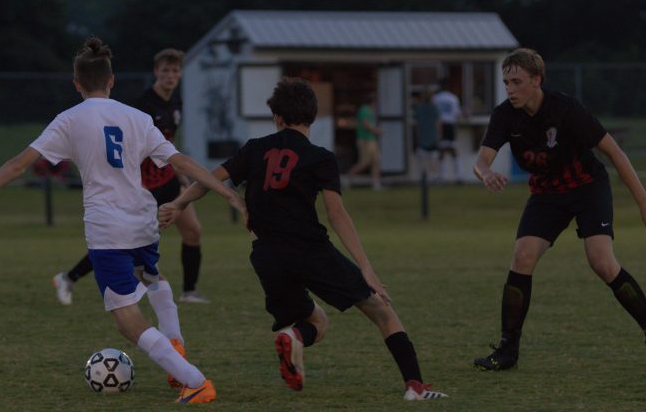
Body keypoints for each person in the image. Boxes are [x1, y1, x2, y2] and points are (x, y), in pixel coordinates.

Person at [0, 38, 247, 403]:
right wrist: (228, 193)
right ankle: (175, 345)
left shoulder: (69, 120)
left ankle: (194, 380)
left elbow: (18, 165)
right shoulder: (138, 117)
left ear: (76, 84)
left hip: (107, 228)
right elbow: (182, 161)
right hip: (143, 219)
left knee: (126, 318)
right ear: (111, 82)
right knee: (152, 277)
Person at [159, 77, 447, 400]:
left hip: (266, 256)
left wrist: (178, 202)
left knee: (316, 322)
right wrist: (366, 267)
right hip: (310, 251)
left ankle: (295, 337)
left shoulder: (255, 148)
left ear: (277, 117)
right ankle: (415, 387)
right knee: (381, 310)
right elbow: (336, 214)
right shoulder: (320, 157)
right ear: (312, 115)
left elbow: (209, 180)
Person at [472, 48, 646, 373]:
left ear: (536, 80)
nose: (509, 89)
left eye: (517, 82)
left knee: (601, 261)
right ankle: (508, 350)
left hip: (586, 187)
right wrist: (488, 173)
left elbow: (614, 153)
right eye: (506, 82)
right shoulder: (504, 115)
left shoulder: (566, 109)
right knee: (522, 257)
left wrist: (644, 201)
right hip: (547, 194)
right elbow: (481, 161)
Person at [53, 48, 210, 305]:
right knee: (123, 242)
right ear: (156, 72)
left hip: (168, 179)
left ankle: (189, 291)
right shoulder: (143, 106)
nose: (170, 75)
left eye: (175, 70)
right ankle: (68, 277)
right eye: (165, 70)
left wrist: (180, 176)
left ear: (180, 73)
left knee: (193, 231)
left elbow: (168, 144)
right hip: (144, 185)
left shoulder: (175, 102)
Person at [344, 94, 383, 190]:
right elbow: (366, 125)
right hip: (365, 140)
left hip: (371, 139)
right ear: (372, 102)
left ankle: (376, 184)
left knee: (376, 161)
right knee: (364, 163)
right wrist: (377, 130)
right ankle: (347, 179)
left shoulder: (369, 110)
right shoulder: (364, 110)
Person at [432, 79, 462, 183]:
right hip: (451, 125)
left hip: (441, 125)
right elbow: (456, 114)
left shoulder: (435, 98)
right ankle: (458, 176)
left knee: (441, 151)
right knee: (454, 151)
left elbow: (434, 115)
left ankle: (442, 176)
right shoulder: (453, 98)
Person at [413, 88, 442, 180]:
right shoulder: (434, 108)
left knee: (423, 161)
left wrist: (416, 136)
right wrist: (439, 135)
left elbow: (416, 124)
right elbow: (438, 123)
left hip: (422, 137)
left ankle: (424, 178)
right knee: (434, 159)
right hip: (432, 137)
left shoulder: (419, 108)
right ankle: (434, 177)